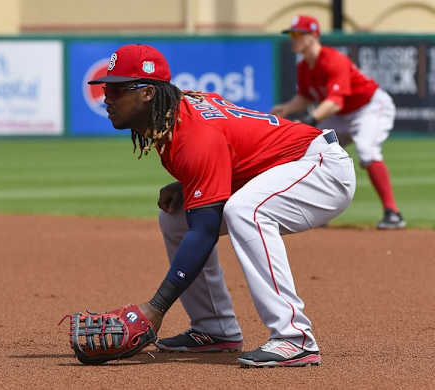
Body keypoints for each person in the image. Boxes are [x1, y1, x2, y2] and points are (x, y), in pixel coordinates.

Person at [88, 43, 356, 367]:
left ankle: (294, 338)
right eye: (106, 89)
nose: (107, 98)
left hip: (320, 167)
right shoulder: (174, 112)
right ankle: (214, 329)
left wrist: (155, 307)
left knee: (245, 210)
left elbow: (204, 231)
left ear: (147, 93)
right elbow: (231, 151)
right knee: (175, 220)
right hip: (285, 167)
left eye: (117, 90)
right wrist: (188, 183)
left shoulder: (192, 134)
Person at [271, 15, 405, 229]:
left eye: (298, 34)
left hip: (369, 106)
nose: (293, 38)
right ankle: (318, 212)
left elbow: (334, 101)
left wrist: (310, 121)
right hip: (342, 114)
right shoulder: (304, 67)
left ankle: (393, 213)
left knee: (367, 150)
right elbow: (307, 97)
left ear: (314, 35)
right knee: (312, 149)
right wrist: (287, 108)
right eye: (291, 34)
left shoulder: (333, 59)